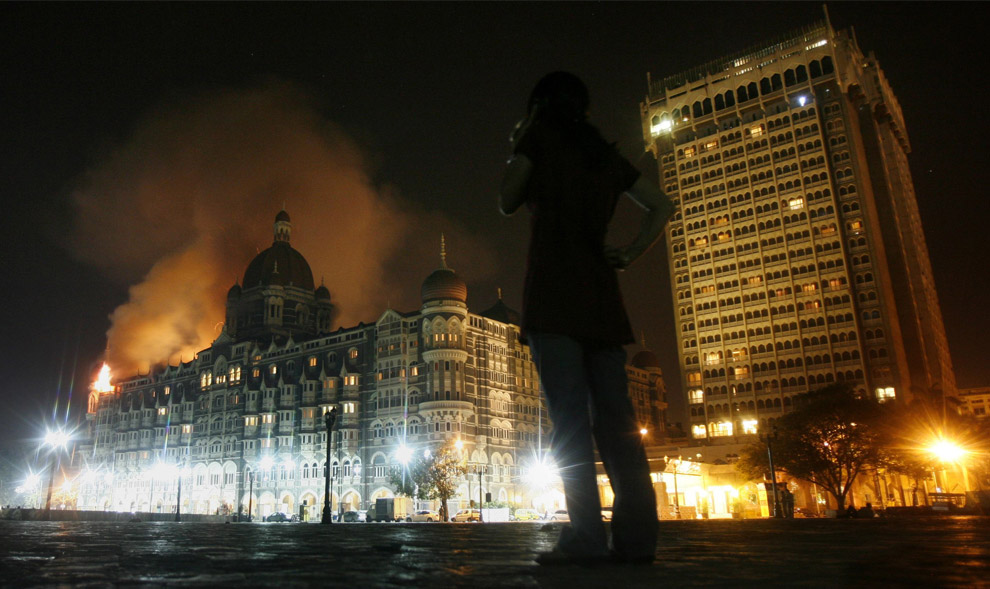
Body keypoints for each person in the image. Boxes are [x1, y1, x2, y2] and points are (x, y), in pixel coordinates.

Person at [499, 71, 674, 565]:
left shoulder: (537, 140)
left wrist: (521, 144)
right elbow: (662, 205)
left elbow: (507, 200)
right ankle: (638, 540)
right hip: (601, 297)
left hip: (553, 295)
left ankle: (585, 538)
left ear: (539, 107)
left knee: (570, 421)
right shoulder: (604, 156)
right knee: (618, 421)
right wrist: (631, 252)